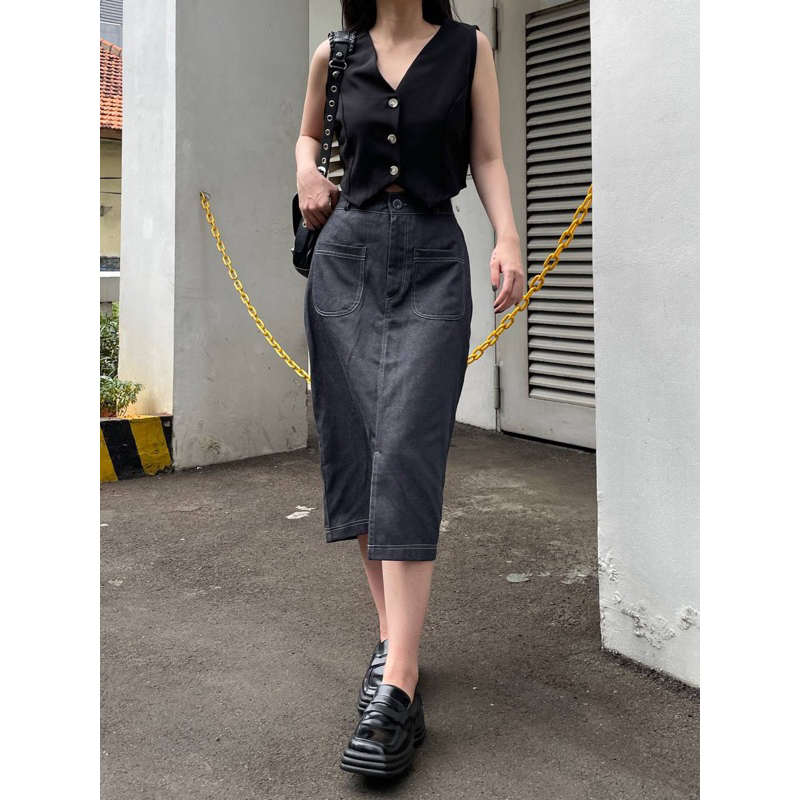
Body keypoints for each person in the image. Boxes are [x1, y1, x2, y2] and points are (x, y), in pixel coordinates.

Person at [295, 0, 523, 778]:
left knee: (408, 450)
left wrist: (508, 235)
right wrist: (305, 171)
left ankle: (395, 685)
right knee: (360, 451)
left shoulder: (468, 48)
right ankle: (397, 652)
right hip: (345, 259)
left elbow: (486, 155)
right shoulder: (335, 53)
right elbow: (309, 137)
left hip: (432, 257)